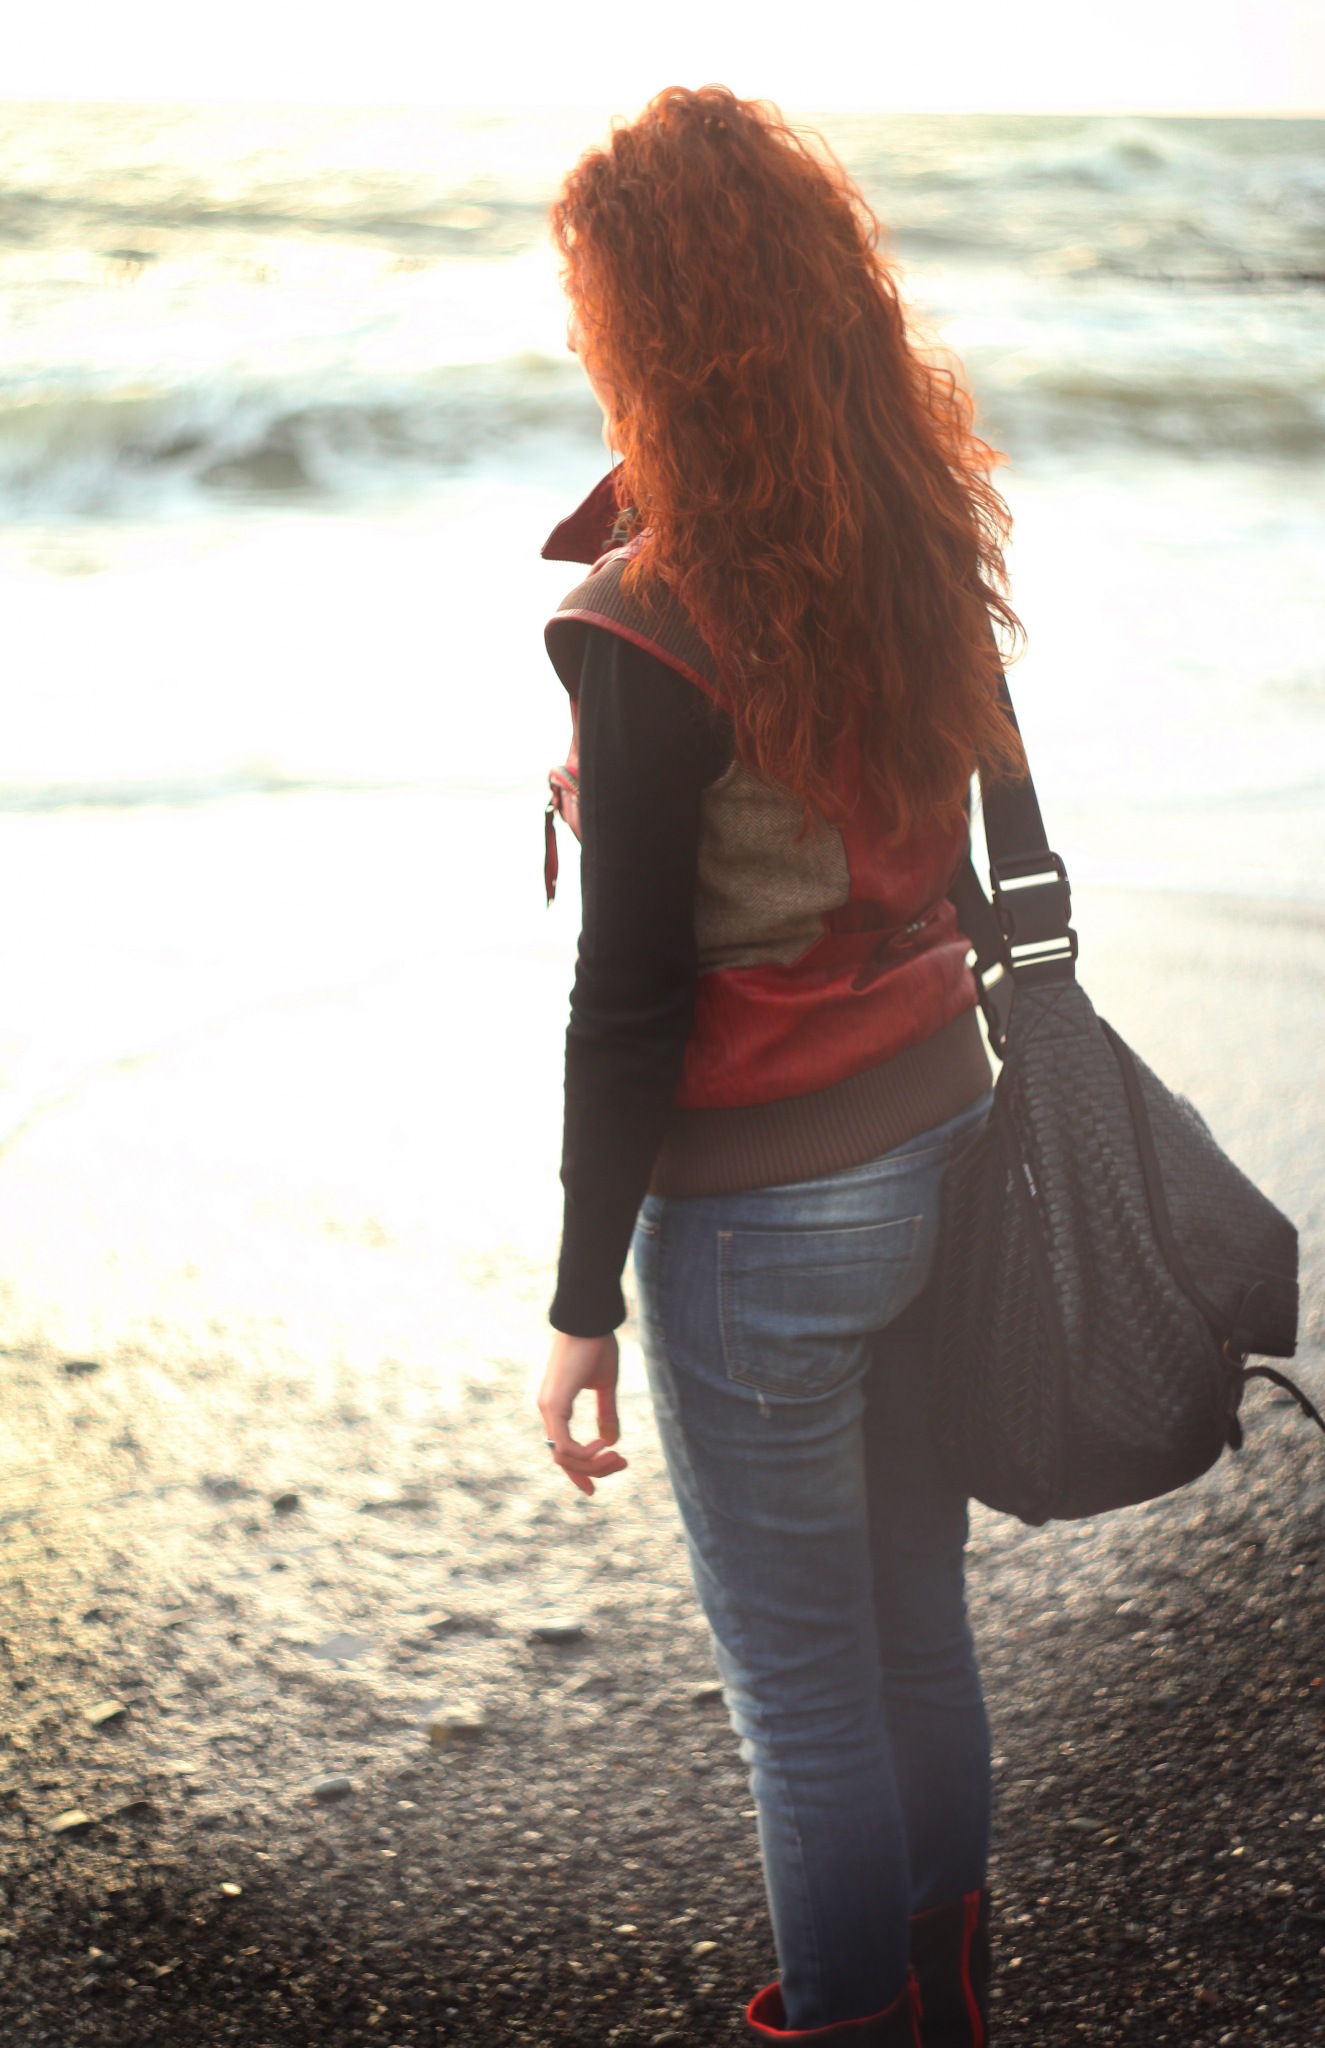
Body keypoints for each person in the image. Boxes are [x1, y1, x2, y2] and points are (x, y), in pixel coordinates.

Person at [536, 86, 1025, 2048]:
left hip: (760, 1221)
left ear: (650, 326)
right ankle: (948, 2010)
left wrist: (579, 1302)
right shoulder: (908, 530)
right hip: (948, 1124)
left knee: (806, 1696)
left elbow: (630, 994)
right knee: (915, 1633)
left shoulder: (648, 616)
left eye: (592, 303)